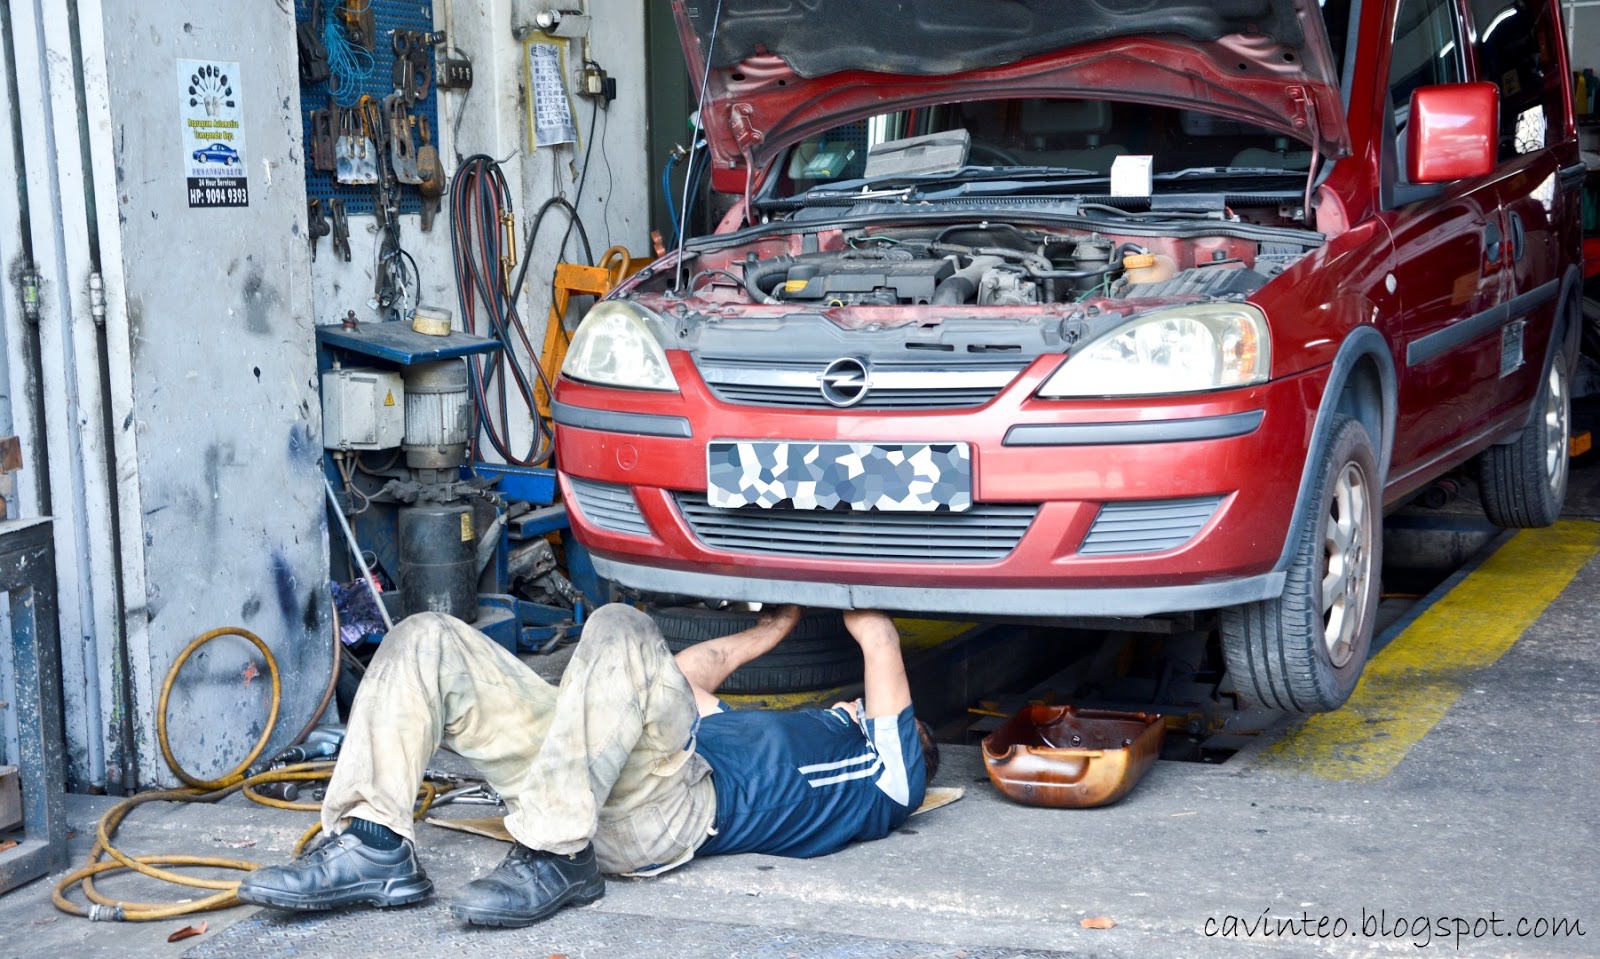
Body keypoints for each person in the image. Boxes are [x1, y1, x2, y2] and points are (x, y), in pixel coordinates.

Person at [235, 603, 938, 928]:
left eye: (871, 705)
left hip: (666, 813)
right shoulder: (775, 729)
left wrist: (853, 581)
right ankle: (373, 842)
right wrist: (772, 628)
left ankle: (555, 856)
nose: (859, 700)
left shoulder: (882, 774)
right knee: (427, 638)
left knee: (622, 625)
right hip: (595, 771)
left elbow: (877, 639)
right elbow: (685, 677)